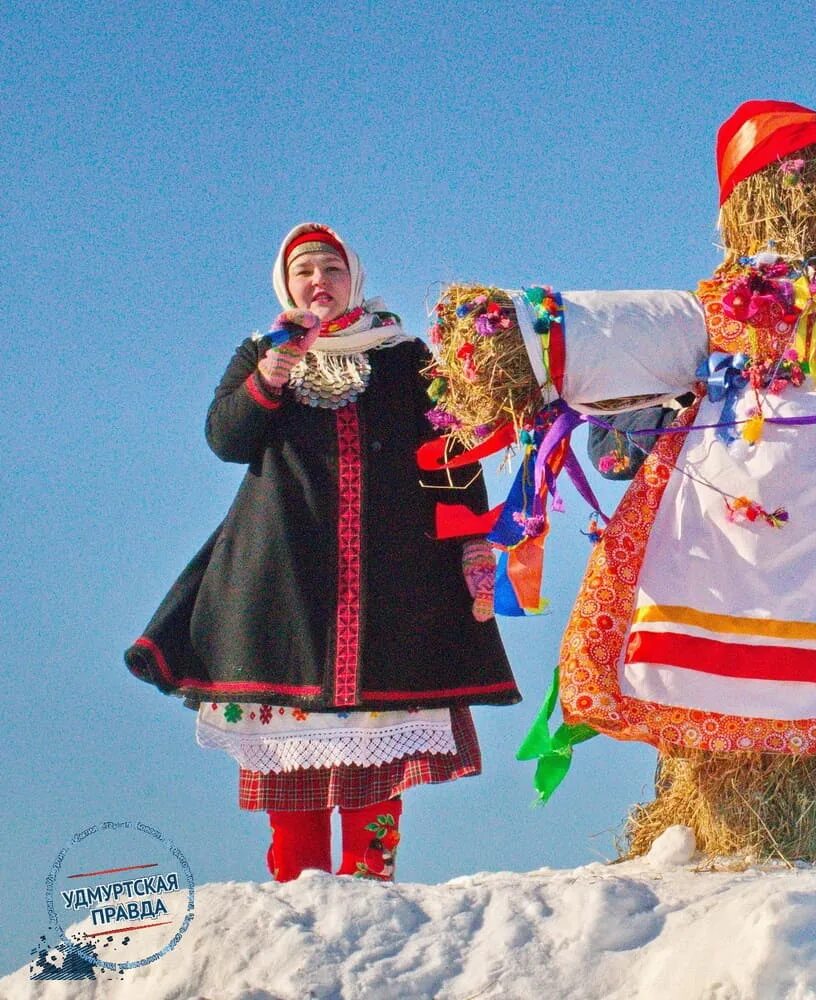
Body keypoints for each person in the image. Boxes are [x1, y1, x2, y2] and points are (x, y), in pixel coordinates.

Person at [126, 223, 521, 882]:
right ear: (287, 284)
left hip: (391, 581)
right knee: (289, 754)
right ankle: (297, 899)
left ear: (354, 280)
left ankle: (373, 883)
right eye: (305, 271)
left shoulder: (404, 356)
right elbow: (227, 438)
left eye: (332, 270)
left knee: (379, 747)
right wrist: (271, 377)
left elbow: (451, 451)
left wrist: (473, 541)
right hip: (284, 581)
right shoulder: (261, 352)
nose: (319, 282)